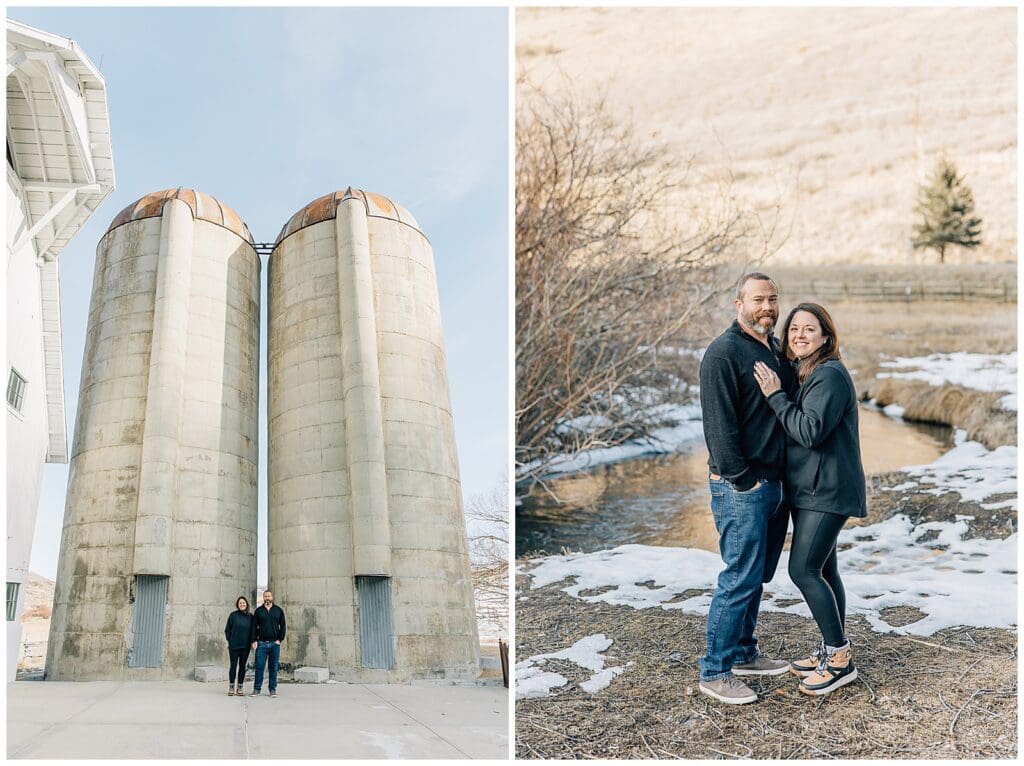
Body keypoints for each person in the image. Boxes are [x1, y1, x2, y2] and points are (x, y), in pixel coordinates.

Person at [753, 302, 866, 696]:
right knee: (825, 570)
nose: (799, 335)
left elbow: (809, 431)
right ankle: (831, 647)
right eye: (794, 329)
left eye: (809, 329)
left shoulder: (830, 375)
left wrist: (775, 396)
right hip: (812, 489)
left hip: (827, 490)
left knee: (803, 570)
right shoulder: (810, 372)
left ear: (826, 337)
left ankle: (839, 659)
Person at [696, 272, 796, 704]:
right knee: (739, 576)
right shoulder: (723, 353)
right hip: (742, 488)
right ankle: (715, 670)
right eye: (758, 300)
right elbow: (718, 428)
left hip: (774, 484)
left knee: (756, 576)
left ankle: (743, 653)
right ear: (739, 305)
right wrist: (744, 480)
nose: (767, 307)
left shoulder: (774, 349)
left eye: (772, 299)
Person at [249, 590, 286, 698]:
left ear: (272, 597)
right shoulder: (258, 611)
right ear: (263, 598)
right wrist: (253, 640)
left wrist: (280, 639)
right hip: (262, 644)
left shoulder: (278, 610)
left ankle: (272, 689)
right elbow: (254, 626)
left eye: (269, 596)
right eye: (265, 596)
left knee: (273, 668)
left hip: (275, 644)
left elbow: (283, 625)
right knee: (259, 667)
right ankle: (256, 689)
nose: (267, 598)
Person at [224, 596, 253, 696]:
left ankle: (240, 687)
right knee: (233, 666)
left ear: (246, 604)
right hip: (234, 646)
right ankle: (231, 687)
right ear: (238, 604)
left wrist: (252, 641)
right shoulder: (233, 615)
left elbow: (253, 630)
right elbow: (227, 630)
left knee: (242, 667)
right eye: (240, 603)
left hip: (245, 646)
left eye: (243, 603)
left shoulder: (250, 616)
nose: (242, 604)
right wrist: (230, 640)